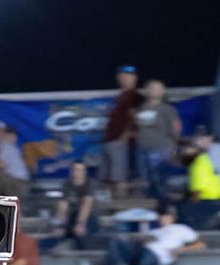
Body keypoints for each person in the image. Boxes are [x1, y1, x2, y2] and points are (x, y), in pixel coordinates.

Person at [101, 209, 205, 265]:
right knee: (116, 242)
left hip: (158, 255)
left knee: (146, 261)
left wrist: (180, 250)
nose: (162, 218)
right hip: (141, 251)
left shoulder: (181, 228)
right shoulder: (155, 231)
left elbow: (201, 245)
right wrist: (137, 238)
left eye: (165, 216)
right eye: (161, 216)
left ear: (172, 218)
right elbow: (138, 240)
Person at [134, 79, 181, 209]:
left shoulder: (167, 109)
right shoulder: (141, 107)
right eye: (151, 88)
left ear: (162, 91)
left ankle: (164, 205)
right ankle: (150, 203)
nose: (154, 90)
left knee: (159, 178)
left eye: (157, 88)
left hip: (161, 148)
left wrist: (174, 145)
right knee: (145, 178)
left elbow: (176, 126)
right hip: (142, 149)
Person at [102, 65, 143, 199]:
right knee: (106, 176)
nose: (124, 78)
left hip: (120, 142)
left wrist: (126, 135)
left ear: (135, 78)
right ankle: (112, 204)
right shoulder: (119, 97)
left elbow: (136, 117)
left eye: (128, 76)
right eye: (122, 75)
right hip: (109, 140)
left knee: (119, 176)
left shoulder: (135, 96)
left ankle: (121, 202)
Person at [43, 161, 98, 251]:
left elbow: (86, 205)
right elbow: (62, 206)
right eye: (76, 170)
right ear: (71, 171)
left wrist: (81, 223)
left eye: (81, 170)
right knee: (57, 235)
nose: (78, 173)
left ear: (85, 172)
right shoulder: (67, 185)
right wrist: (59, 225)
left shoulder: (89, 184)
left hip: (89, 218)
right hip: (72, 218)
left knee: (81, 234)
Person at [0, 122, 29, 199]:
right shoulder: (4, 145)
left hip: (17, 182)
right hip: (15, 182)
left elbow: (1, 165)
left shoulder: (5, 146)